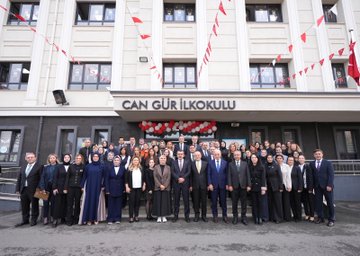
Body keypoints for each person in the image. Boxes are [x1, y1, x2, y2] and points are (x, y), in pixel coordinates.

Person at [15, 152, 43, 227]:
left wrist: (39, 189)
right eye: (28, 157)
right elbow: (19, 179)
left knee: (34, 205)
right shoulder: (23, 166)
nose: (30, 158)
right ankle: (25, 220)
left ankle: (34, 220)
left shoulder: (40, 166)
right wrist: (17, 189)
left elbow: (41, 179)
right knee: (24, 206)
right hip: (23, 189)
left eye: (31, 157)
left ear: (35, 158)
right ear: (26, 158)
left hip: (34, 190)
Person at [310, 149, 335, 227]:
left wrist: (329, 185)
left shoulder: (328, 163)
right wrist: (312, 187)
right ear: (314, 155)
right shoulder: (312, 163)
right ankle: (321, 218)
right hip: (317, 187)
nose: (318, 155)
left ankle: (331, 219)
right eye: (316, 154)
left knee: (330, 203)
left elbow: (331, 175)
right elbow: (311, 176)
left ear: (322, 154)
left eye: (319, 154)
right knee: (318, 203)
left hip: (327, 186)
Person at [79, 152, 106, 225]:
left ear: (99, 157)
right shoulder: (88, 166)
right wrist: (82, 186)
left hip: (98, 187)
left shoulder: (102, 166)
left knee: (96, 202)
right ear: (92, 157)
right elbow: (84, 176)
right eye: (94, 156)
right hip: (89, 186)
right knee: (89, 202)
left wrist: (103, 185)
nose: (95, 158)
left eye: (97, 156)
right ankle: (88, 219)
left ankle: (95, 218)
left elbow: (104, 177)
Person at [227, 151, 251, 225]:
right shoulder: (230, 164)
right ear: (233, 156)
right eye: (235, 155)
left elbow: (248, 175)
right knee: (234, 203)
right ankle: (235, 217)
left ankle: (243, 217)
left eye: (238, 155)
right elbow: (229, 175)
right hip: (234, 187)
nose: (237, 156)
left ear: (240, 155)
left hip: (243, 186)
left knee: (244, 203)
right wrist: (230, 185)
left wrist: (249, 185)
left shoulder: (245, 164)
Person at [208, 149, 228, 223]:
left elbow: (227, 175)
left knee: (223, 202)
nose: (217, 155)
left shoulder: (225, 163)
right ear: (213, 155)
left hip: (223, 186)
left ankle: (224, 216)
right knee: (214, 202)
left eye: (218, 154)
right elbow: (208, 174)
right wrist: (209, 184)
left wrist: (227, 184)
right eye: (215, 154)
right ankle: (215, 216)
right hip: (213, 186)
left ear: (220, 155)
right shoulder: (210, 163)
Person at [64, 154, 85, 226]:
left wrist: (82, 186)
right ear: (75, 159)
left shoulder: (83, 166)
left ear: (81, 159)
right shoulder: (71, 166)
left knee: (77, 203)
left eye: (79, 158)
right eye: (77, 158)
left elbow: (84, 178)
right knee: (69, 204)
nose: (78, 159)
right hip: (70, 187)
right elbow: (67, 177)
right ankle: (69, 219)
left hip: (78, 188)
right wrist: (65, 188)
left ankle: (76, 219)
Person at [39, 153, 59, 225]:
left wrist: (56, 187)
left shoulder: (59, 167)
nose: (52, 159)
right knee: (45, 203)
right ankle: (45, 218)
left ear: (56, 159)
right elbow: (42, 178)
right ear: (49, 159)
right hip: (46, 187)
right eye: (51, 158)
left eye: (53, 158)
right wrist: (42, 188)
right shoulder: (45, 167)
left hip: (54, 188)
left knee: (54, 203)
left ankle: (54, 218)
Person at [171, 150, 191, 223]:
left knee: (186, 201)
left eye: (181, 154)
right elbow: (172, 171)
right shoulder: (173, 162)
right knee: (176, 201)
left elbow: (189, 171)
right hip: (176, 183)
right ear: (176, 155)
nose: (180, 155)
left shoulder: (187, 162)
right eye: (178, 154)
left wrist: (183, 178)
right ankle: (175, 216)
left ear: (184, 155)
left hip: (185, 183)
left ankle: (187, 216)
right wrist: (178, 178)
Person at [52, 154, 71, 227]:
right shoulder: (58, 167)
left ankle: (64, 218)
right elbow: (55, 178)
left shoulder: (71, 166)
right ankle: (55, 219)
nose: (66, 158)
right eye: (65, 157)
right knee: (57, 204)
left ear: (70, 158)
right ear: (63, 158)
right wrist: (54, 188)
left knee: (66, 204)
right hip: (59, 188)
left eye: (68, 157)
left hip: (69, 188)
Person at [105, 155, 125, 224]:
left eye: (118, 160)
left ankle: (117, 218)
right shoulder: (109, 168)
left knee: (118, 204)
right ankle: (110, 218)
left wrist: (124, 189)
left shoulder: (123, 168)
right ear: (113, 161)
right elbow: (106, 179)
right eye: (115, 160)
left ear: (120, 162)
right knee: (111, 204)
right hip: (111, 188)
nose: (116, 161)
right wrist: (107, 189)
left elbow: (124, 179)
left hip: (119, 188)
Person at [125, 156, 146, 223]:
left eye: (137, 160)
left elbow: (144, 178)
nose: (136, 161)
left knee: (137, 202)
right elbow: (126, 179)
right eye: (134, 160)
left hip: (139, 188)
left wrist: (144, 185)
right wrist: (127, 187)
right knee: (131, 203)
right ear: (132, 161)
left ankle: (136, 216)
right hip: (131, 188)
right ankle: (131, 217)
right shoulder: (129, 169)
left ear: (138, 161)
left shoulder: (141, 169)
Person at [190, 151, 208, 222]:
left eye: (198, 155)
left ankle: (204, 216)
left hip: (204, 185)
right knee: (196, 201)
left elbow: (207, 175)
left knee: (204, 202)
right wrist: (190, 185)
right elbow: (190, 176)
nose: (197, 156)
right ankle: (196, 215)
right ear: (194, 156)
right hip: (195, 186)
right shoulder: (191, 164)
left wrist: (208, 184)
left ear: (201, 156)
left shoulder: (205, 163)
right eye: (196, 155)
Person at [153, 155, 172, 223]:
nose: (163, 159)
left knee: (164, 202)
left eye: (164, 158)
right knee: (158, 202)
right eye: (161, 158)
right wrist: (160, 185)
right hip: (158, 187)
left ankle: (163, 216)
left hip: (166, 187)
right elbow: (155, 177)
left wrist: (164, 185)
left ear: (166, 159)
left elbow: (169, 177)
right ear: (159, 159)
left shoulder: (168, 167)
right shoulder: (156, 167)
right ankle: (158, 216)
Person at [249, 154, 267, 225]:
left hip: (260, 187)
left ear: (257, 158)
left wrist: (263, 188)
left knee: (260, 203)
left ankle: (260, 217)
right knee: (254, 203)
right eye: (252, 158)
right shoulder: (249, 167)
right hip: (252, 187)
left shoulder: (261, 167)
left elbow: (263, 178)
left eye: (254, 157)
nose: (253, 159)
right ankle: (255, 217)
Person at [265, 154, 283, 223]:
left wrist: (281, 187)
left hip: (276, 186)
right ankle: (272, 217)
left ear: (272, 159)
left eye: (270, 158)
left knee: (277, 203)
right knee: (271, 202)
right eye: (268, 158)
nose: (269, 159)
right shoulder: (265, 166)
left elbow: (280, 176)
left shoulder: (276, 165)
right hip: (269, 187)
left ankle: (279, 218)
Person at [298, 154, 315, 222]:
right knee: (305, 202)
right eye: (300, 158)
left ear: (304, 159)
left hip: (308, 187)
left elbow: (310, 178)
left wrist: (311, 188)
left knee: (310, 202)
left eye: (302, 158)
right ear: (298, 159)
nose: (301, 159)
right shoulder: (298, 167)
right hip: (302, 188)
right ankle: (307, 214)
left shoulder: (308, 166)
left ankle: (312, 215)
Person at [276, 154, 292, 221]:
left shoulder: (286, 166)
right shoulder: (275, 166)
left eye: (280, 158)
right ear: (276, 159)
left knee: (286, 201)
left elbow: (288, 177)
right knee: (279, 202)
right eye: (278, 158)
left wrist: (289, 186)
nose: (279, 159)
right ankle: (280, 217)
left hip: (284, 185)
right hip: (277, 186)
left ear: (283, 159)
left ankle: (287, 217)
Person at [288, 156, 303, 222]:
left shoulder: (297, 168)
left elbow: (300, 178)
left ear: (293, 161)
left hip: (296, 188)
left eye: (291, 160)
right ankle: (294, 216)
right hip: (289, 188)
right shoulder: (287, 167)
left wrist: (300, 187)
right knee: (292, 203)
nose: (290, 161)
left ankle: (299, 217)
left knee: (297, 203)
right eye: (289, 160)